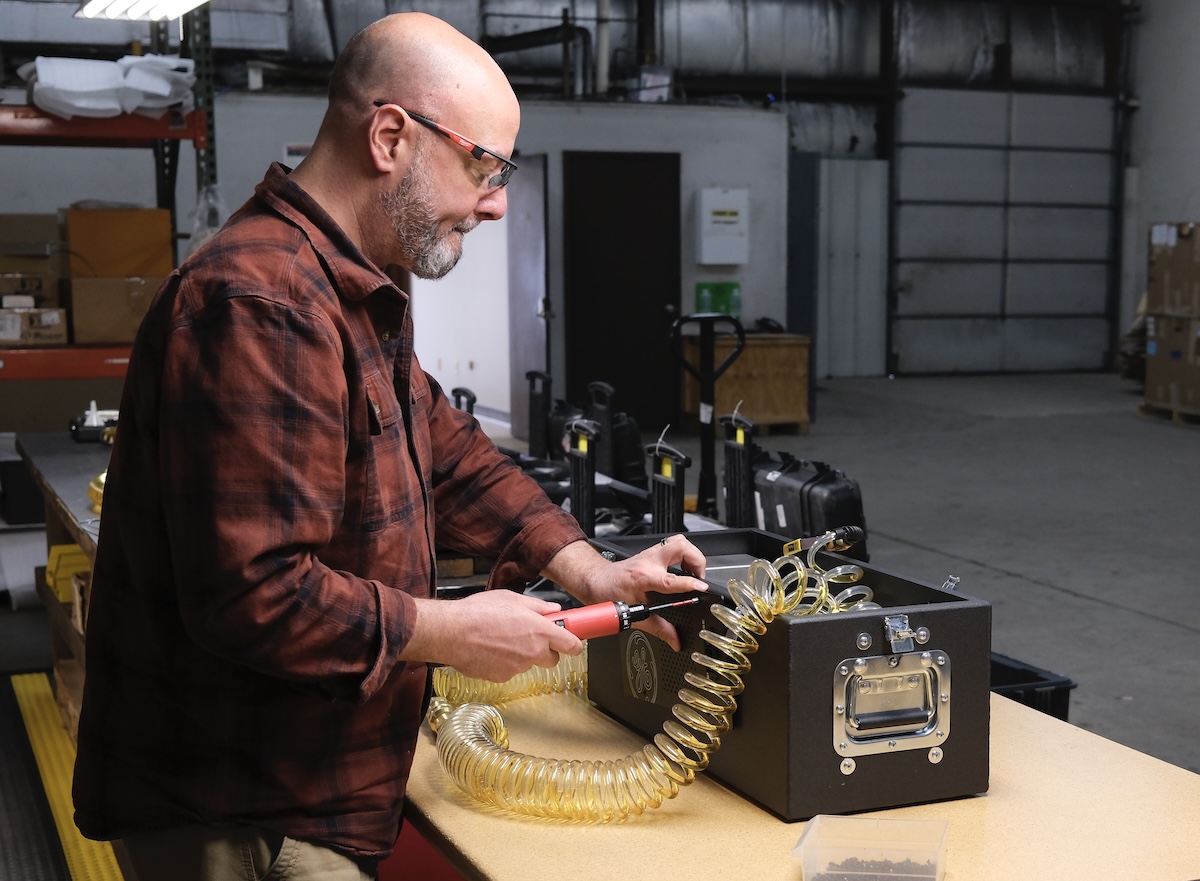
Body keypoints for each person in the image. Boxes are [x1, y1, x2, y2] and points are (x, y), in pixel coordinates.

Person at [71, 12, 708, 881]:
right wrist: (449, 630)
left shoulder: (351, 287)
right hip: (246, 807)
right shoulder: (266, 303)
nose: (498, 200)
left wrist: (588, 569)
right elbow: (250, 594)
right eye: (483, 165)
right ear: (389, 136)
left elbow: (445, 449)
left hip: (308, 781)